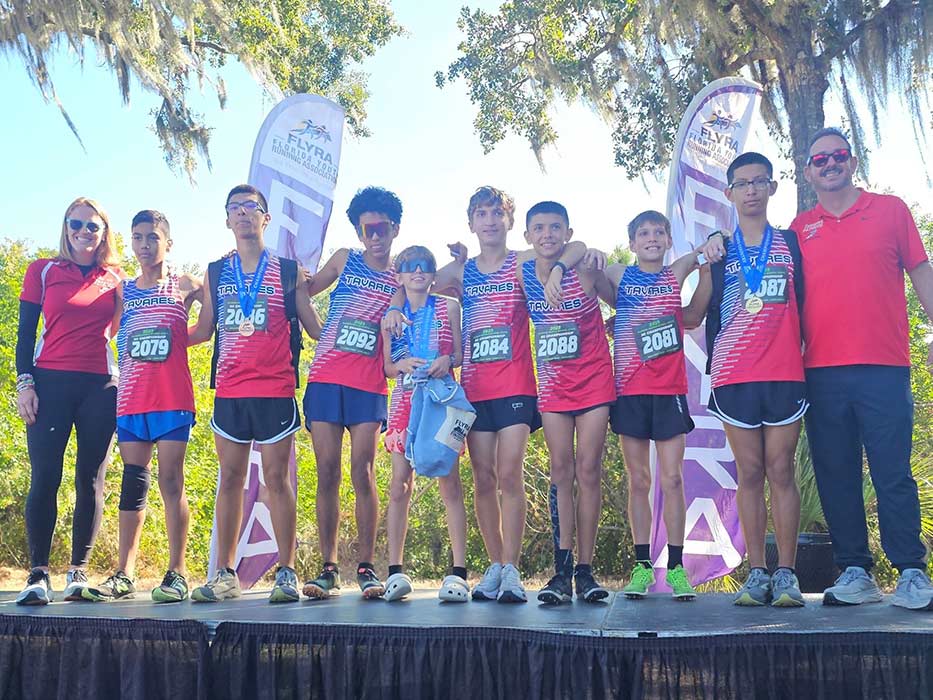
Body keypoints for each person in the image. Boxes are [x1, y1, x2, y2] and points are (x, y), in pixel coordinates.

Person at [384, 186, 601, 603]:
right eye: (481, 214)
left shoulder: (521, 262)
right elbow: (415, 281)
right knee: (483, 478)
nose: (489, 221)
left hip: (516, 386)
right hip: (474, 390)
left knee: (508, 473)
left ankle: (514, 569)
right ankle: (496, 566)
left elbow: (575, 247)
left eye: (496, 214)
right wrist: (395, 305)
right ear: (471, 223)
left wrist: (557, 270)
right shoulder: (460, 271)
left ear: (509, 222)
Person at [790, 127, 933, 611]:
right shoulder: (798, 229)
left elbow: (921, 270)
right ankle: (855, 569)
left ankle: (911, 571)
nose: (830, 164)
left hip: (884, 367)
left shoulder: (891, 210)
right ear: (808, 172)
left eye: (838, 156)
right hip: (820, 372)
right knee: (836, 473)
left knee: (893, 471)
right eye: (819, 160)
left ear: (852, 162)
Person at [188, 184, 320, 604]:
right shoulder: (215, 272)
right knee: (230, 480)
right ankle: (225, 574)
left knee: (277, 480)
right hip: (230, 391)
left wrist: (379, 318)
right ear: (227, 219)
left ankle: (287, 572)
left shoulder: (288, 270)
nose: (243, 213)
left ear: (266, 218)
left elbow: (316, 330)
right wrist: (165, 327)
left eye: (251, 207)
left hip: (275, 389)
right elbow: (203, 330)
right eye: (235, 208)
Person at [689, 153, 807, 607]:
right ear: (729, 193)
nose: (752, 190)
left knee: (782, 470)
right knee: (751, 472)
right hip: (734, 374)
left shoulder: (791, 244)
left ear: (772, 187)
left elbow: (808, 305)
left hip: (785, 373)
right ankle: (757, 572)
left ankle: (787, 573)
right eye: (743, 183)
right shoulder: (719, 252)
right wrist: (699, 262)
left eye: (760, 181)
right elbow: (694, 313)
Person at [82, 211, 201, 603]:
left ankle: (177, 573)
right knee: (133, 483)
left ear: (168, 242)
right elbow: (101, 328)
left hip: (171, 398)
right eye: (137, 237)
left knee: (171, 481)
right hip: (132, 398)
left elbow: (210, 320)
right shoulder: (124, 290)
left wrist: (180, 338)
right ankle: (124, 573)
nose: (145, 245)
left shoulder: (184, 284)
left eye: (152, 237)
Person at [597, 210, 715, 602]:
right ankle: (641, 566)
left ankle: (677, 568)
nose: (651, 238)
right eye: (643, 233)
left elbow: (707, 251)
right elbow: (593, 276)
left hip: (669, 391)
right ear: (632, 243)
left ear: (667, 240)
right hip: (629, 391)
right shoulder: (618, 273)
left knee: (672, 478)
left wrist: (709, 257)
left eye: (658, 232)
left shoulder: (676, 270)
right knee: (639, 481)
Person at [15, 197, 123, 605]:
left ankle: (78, 571)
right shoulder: (42, 271)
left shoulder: (116, 278)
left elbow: (132, 325)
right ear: (65, 227)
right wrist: (25, 384)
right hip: (50, 383)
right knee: (46, 476)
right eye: (75, 224)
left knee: (91, 480)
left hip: (100, 386)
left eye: (92, 226)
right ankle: (38, 574)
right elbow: (26, 335)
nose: (83, 232)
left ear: (104, 232)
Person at [302, 187, 402, 600]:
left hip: (368, 384)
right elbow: (301, 291)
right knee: (327, 471)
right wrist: (316, 330)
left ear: (395, 229)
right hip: (326, 378)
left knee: (363, 471)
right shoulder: (345, 258)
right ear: (359, 232)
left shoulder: (402, 274)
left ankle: (365, 566)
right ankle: (328, 568)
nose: (374, 237)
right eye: (367, 230)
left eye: (381, 229)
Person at [517, 201, 615, 604]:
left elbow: (613, 291)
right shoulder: (522, 270)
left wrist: (563, 267)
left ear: (568, 232)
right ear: (527, 235)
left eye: (555, 227)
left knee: (588, 470)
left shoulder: (584, 266)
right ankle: (561, 571)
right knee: (561, 471)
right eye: (539, 228)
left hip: (594, 383)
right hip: (554, 388)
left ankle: (586, 571)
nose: (547, 235)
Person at [381, 246, 470, 603]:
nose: (417, 272)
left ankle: (459, 572)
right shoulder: (391, 316)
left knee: (450, 483)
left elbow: (460, 355)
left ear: (434, 275)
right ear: (400, 276)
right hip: (404, 402)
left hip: (442, 402)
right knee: (399, 485)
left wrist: (447, 359)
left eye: (425, 267)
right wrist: (399, 367)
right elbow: (387, 367)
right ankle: (395, 571)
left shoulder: (449, 307)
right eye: (410, 267)